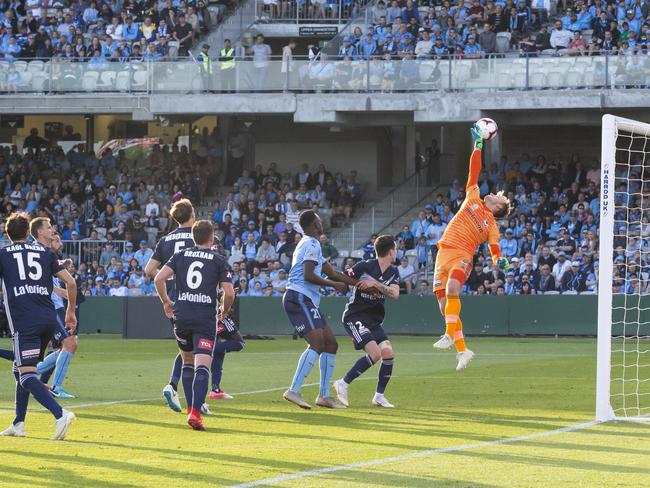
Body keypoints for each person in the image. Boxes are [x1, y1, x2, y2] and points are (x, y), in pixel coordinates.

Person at [431, 124, 511, 371]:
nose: (494, 194)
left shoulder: (492, 225)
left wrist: (500, 261)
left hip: (463, 255)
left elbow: (495, 249)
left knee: (454, 287)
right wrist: (477, 146)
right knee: (445, 306)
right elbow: (473, 171)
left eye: (498, 197)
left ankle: (447, 335)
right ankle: (463, 351)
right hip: (444, 252)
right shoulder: (473, 197)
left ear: (498, 208)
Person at [0, 213, 76, 440]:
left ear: (7, 234)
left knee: (26, 375)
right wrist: (70, 312)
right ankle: (18, 423)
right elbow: (70, 282)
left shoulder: (3, 254)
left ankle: (60, 414)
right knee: (20, 367)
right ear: (27, 233)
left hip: (25, 320)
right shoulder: (46, 252)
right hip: (48, 318)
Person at [154, 220, 235, 431]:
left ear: (193, 237)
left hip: (181, 316)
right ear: (211, 237)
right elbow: (229, 293)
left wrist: (166, 302)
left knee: (187, 360)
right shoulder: (219, 260)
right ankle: (195, 413)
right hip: (204, 318)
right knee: (202, 366)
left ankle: (191, 409)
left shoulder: (180, 255)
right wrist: (224, 310)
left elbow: (159, 279)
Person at [282, 210, 361, 410]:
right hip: (299, 296)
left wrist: (358, 283)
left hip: (307, 299)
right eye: (319, 220)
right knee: (317, 342)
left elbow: (332, 272)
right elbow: (309, 275)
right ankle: (294, 390)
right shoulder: (311, 243)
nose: (321, 223)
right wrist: (334, 286)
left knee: (330, 344)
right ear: (315, 225)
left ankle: (324, 396)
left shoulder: (311, 244)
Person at [145, 198, 199, 414]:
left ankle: (176, 387)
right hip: (197, 299)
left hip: (175, 301)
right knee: (195, 351)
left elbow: (149, 269)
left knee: (187, 349)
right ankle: (181, 391)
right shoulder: (200, 237)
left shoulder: (165, 240)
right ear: (193, 215)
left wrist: (166, 288)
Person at [333, 235, 400, 408]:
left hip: (374, 320)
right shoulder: (364, 265)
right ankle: (343, 383)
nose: (397, 251)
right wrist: (356, 283)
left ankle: (379, 396)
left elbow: (395, 295)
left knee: (388, 354)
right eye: (396, 248)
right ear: (391, 251)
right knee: (375, 354)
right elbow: (344, 278)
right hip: (354, 316)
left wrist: (375, 284)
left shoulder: (393, 272)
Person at [34, 231, 77, 399]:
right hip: (50, 306)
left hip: (57, 307)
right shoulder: (42, 254)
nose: (60, 244)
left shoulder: (50, 257)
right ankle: (56, 387)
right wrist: (62, 292)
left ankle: (28, 373)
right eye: (56, 241)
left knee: (65, 347)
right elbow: (42, 282)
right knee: (69, 344)